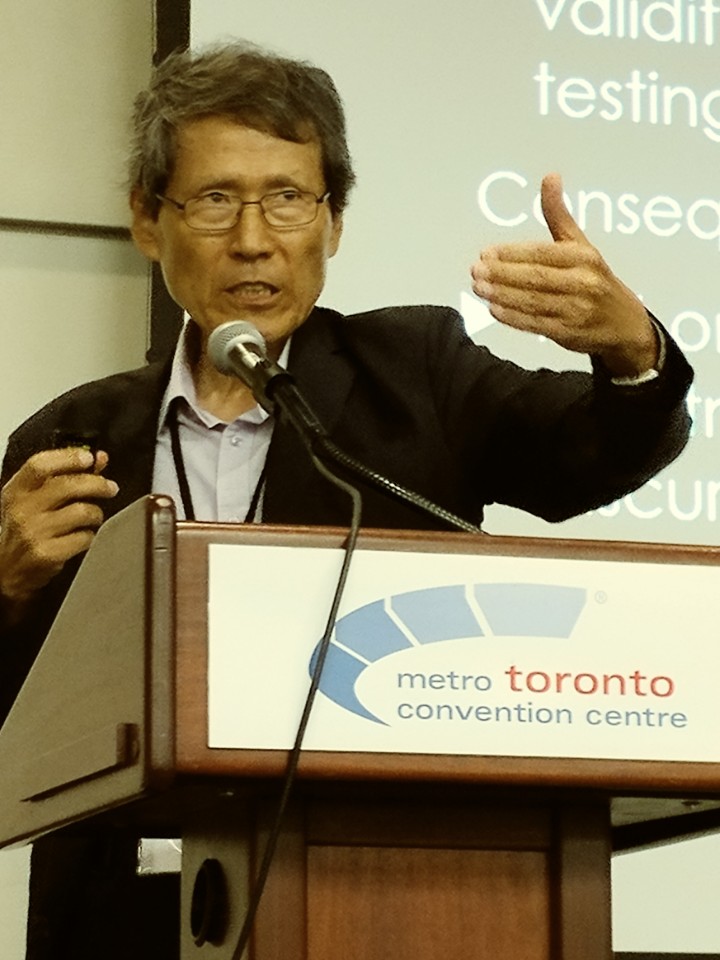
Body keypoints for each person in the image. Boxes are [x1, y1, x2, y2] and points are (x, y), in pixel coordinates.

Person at [0, 41, 692, 960]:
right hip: (119, 922)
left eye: (288, 198)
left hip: (371, 897)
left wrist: (631, 351)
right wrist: (2, 588)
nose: (254, 239)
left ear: (333, 223)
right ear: (147, 219)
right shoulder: (68, 437)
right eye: (215, 199)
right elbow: (24, 734)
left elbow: (587, 456)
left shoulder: (419, 376)